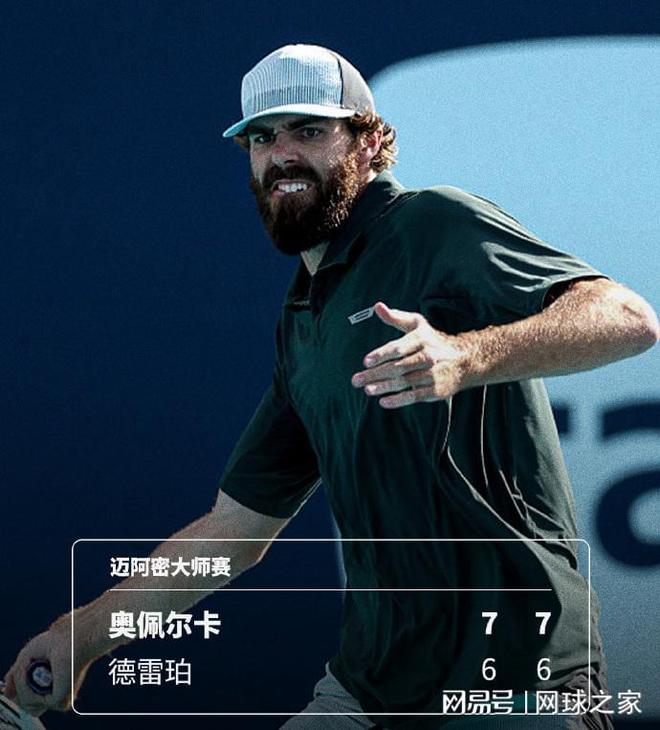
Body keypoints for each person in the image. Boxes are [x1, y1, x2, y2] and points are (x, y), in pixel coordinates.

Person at [3, 44, 658, 729]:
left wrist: (465, 356)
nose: (282, 154)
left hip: (517, 674)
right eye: (262, 138)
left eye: (310, 131)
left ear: (369, 143)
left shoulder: (434, 225)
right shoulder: (303, 318)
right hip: (371, 689)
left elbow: (626, 319)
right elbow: (234, 530)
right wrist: (83, 634)